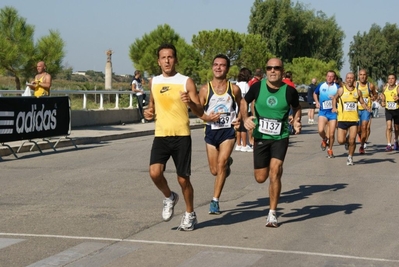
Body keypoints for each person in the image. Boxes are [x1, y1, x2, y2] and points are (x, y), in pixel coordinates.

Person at [143, 43, 204, 231]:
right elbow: (152, 105)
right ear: (158, 61)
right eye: (163, 57)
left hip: (181, 136)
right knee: (154, 173)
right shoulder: (154, 82)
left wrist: (190, 103)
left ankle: (189, 214)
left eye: (170, 57)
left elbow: (200, 110)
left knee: (183, 179)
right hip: (161, 134)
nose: (167, 60)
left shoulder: (186, 81)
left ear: (175, 59)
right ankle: (169, 197)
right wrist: (149, 112)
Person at [240, 58, 302, 227]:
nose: (272, 71)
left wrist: (296, 121)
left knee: (275, 171)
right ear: (266, 71)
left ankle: (272, 213)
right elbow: (243, 101)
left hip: (280, 137)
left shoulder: (289, 91)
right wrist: (245, 119)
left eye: (276, 68)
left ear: (282, 71)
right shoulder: (257, 87)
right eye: (269, 68)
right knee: (260, 178)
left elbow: (297, 108)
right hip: (261, 136)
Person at [199, 54, 241, 215]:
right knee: (214, 170)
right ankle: (226, 163)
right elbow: (197, 109)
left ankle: (215, 201)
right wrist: (206, 117)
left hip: (228, 132)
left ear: (227, 69)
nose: (218, 67)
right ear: (212, 67)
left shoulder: (233, 89)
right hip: (210, 131)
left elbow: (242, 103)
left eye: (222, 65)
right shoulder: (205, 89)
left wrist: (240, 118)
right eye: (215, 64)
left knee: (221, 164)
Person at [332, 72, 369, 166]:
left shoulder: (358, 92)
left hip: (354, 120)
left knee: (352, 140)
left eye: (351, 78)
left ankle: (350, 157)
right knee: (340, 140)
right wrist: (334, 107)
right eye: (347, 78)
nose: (349, 79)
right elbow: (334, 99)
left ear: (354, 79)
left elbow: (362, 102)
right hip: (342, 119)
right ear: (345, 79)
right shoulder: (341, 90)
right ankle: (347, 141)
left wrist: (366, 107)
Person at [313, 70, 339, 158]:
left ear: (334, 78)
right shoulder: (321, 85)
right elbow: (315, 93)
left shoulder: (337, 87)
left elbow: (341, 99)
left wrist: (335, 98)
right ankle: (324, 139)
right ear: (326, 77)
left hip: (332, 113)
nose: (329, 78)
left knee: (332, 134)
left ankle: (330, 149)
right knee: (320, 130)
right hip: (323, 111)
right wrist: (316, 102)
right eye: (328, 76)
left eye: (331, 76)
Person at [356, 69, 377, 153]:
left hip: (366, 109)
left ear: (367, 76)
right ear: (358, 76)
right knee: (358, 129)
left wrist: (373, 97)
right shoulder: (355, 84)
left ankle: (361, 146)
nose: (362, 76)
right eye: (361, 74)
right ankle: (360, 136)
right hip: (356, 109)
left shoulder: (370, 85)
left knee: (365, 127)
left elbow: (375, 94)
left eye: (364, 74)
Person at [235, 67, 253, 152]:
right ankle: (245, 145)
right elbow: (247, 99)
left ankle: (238, 144)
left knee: (238, 127)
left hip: (236, 108)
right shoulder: (246, 85)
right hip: (244, 109)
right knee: (243, 127)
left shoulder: (237, 84)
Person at [380, 74, 399, 151]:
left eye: (392, 78)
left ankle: (396, 141)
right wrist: (383, 102)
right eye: (389, 79)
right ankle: (388, 144)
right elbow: (383, 95)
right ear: (387, 80)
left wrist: (398, 98)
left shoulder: (398, 88)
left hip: (397, 110)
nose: (391, 80)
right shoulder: (385, 88)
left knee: (397, 128)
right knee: (389, 127)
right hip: (388, 110)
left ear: (395, 80)